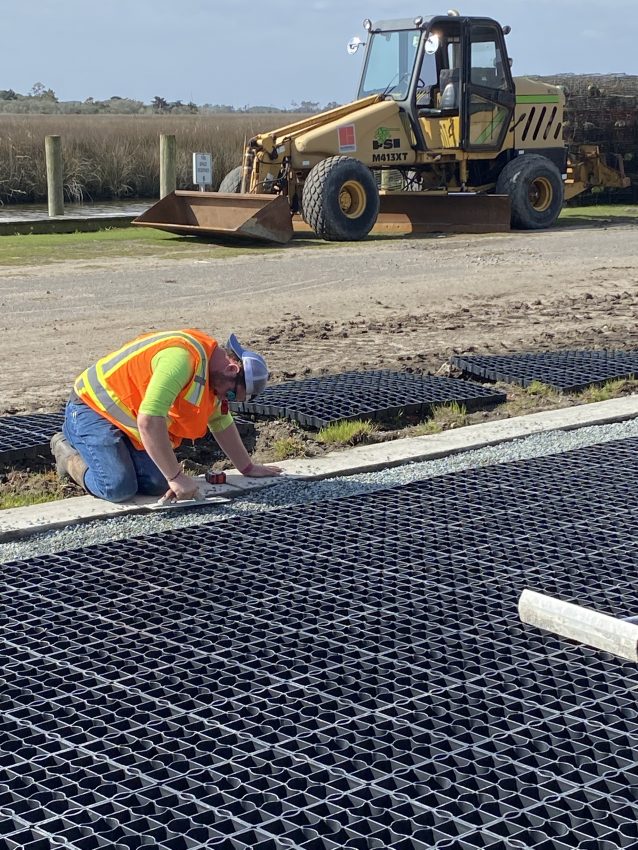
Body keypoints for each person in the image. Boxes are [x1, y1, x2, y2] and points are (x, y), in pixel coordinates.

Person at [51, 328, 281, 503]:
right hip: (91, 408)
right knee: (118, 487)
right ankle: (67, 453)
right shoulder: (180, 360)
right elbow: (150, 421)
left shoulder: (213, 379)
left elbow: (221, 421)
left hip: (128, 421)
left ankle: (118, 455)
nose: (225, 399)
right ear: (232, 370)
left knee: (156, 484)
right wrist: (176, 476)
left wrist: (247, 467)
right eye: (230, 393)